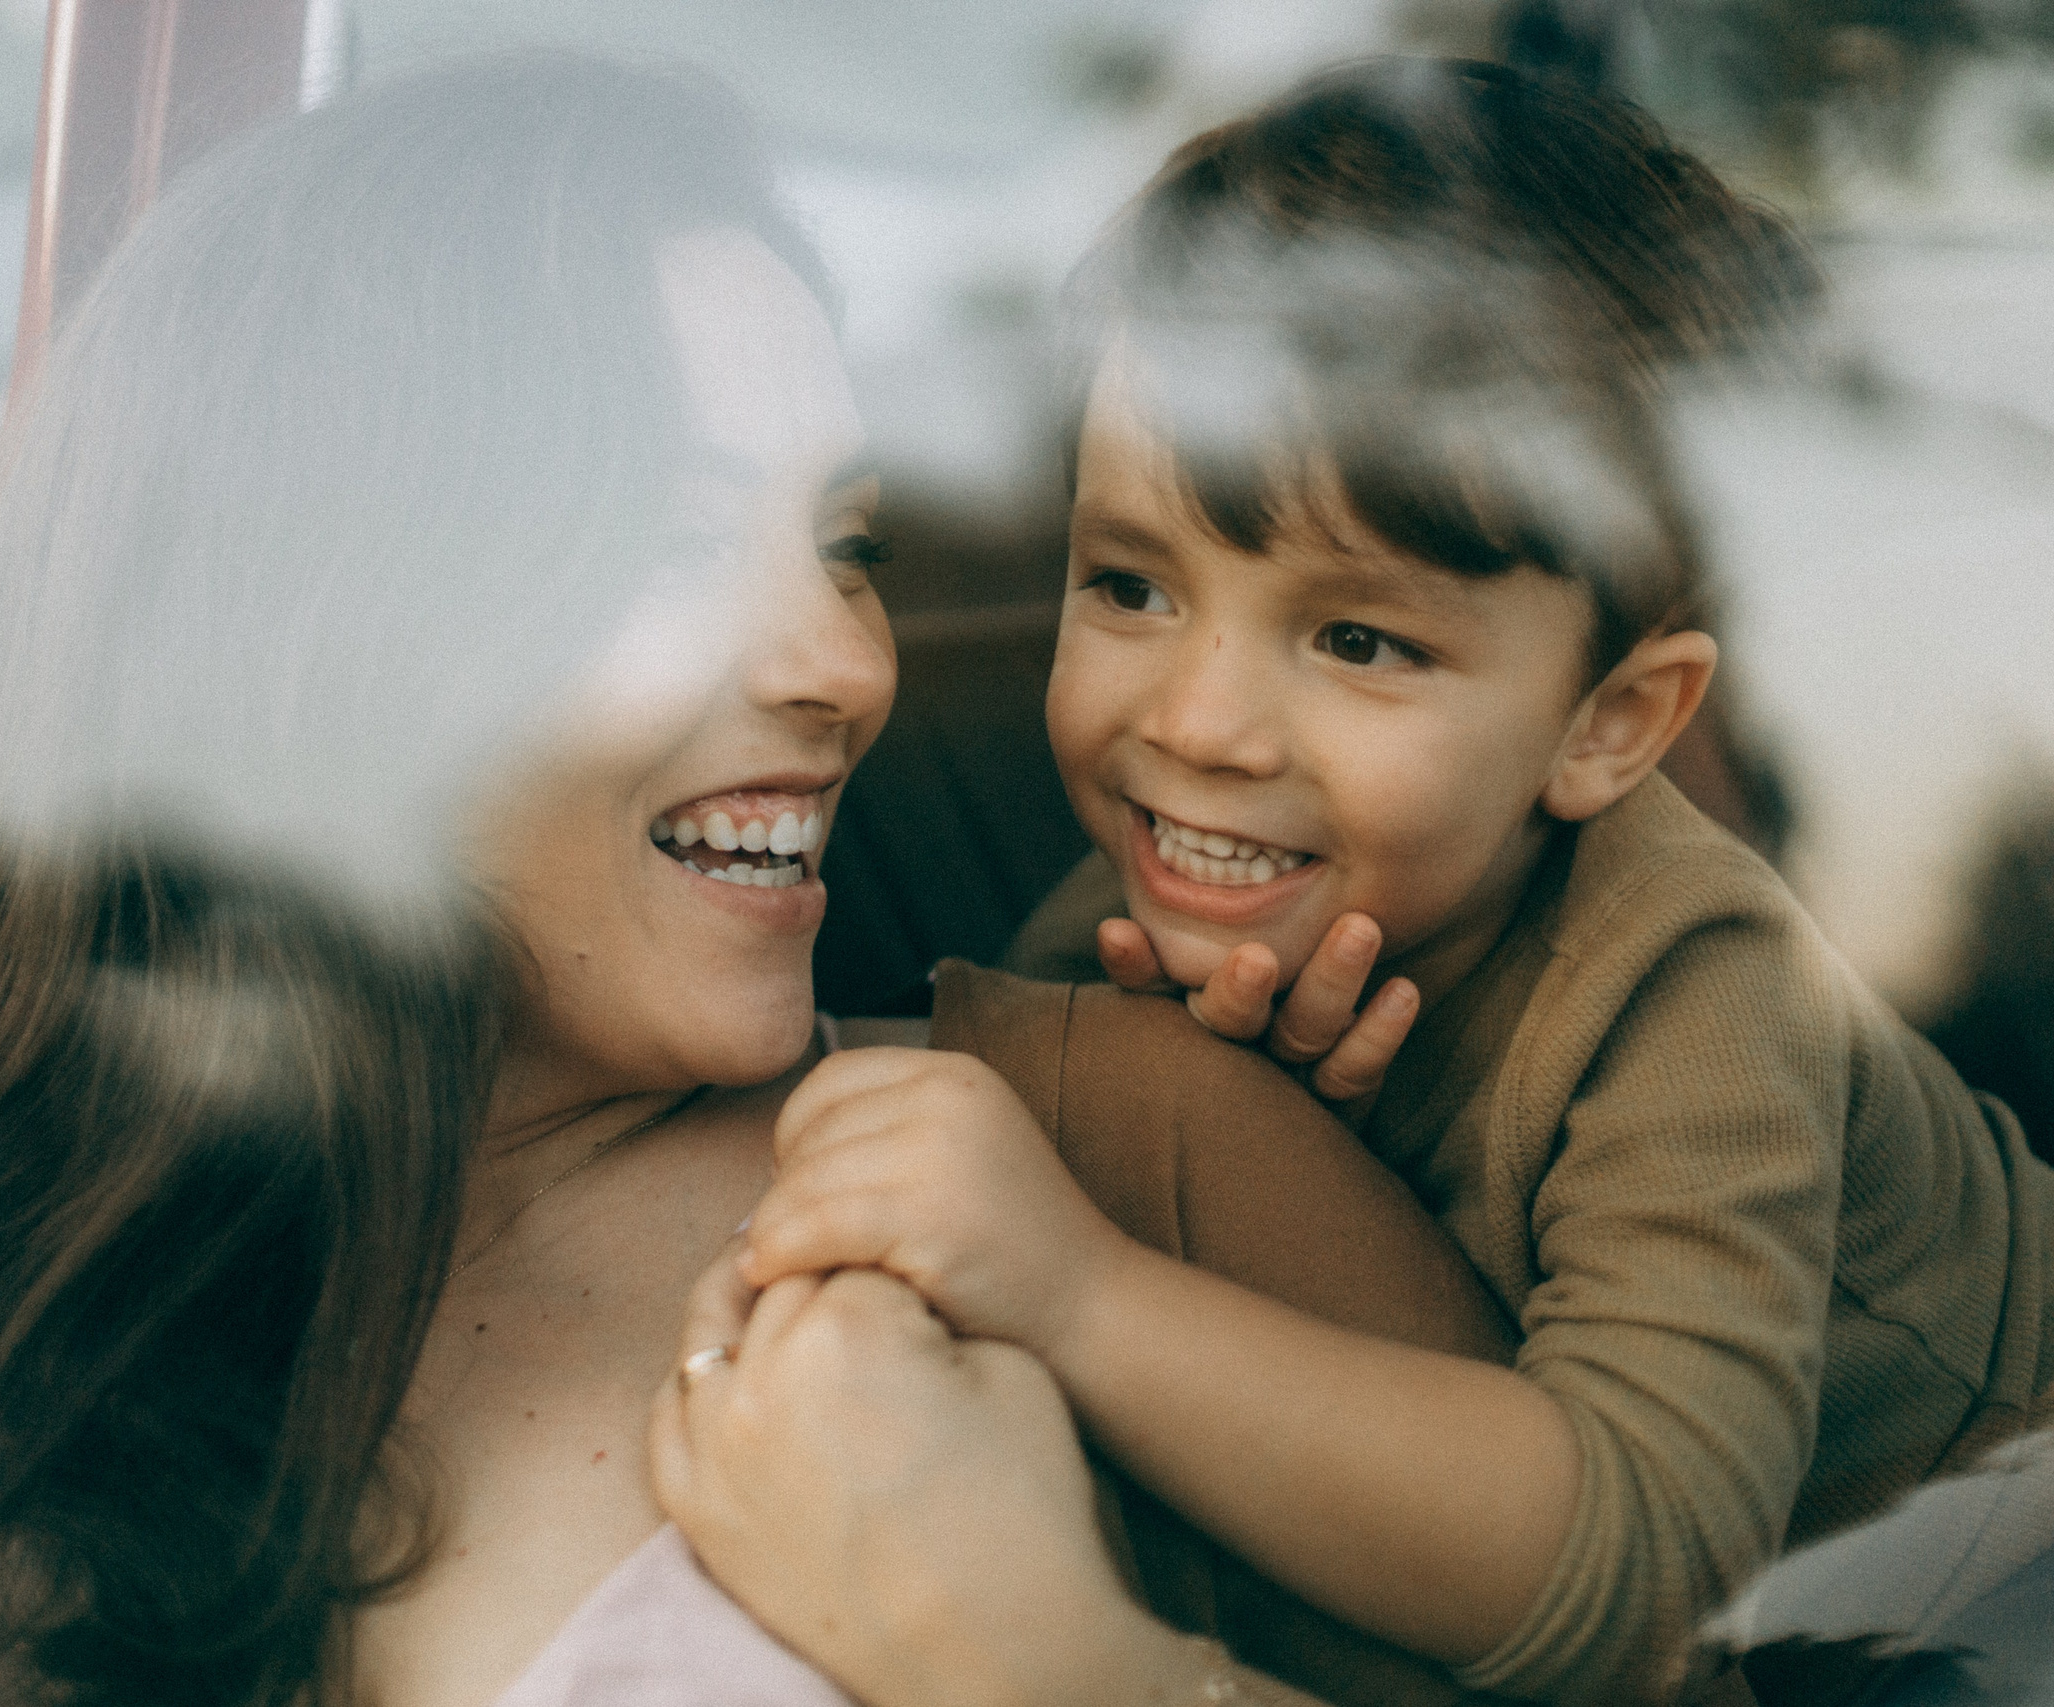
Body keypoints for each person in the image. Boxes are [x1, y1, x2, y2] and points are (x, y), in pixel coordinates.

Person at [0, 52, 1510, 1707]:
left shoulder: (1115, 1153)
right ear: (329, 636)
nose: (845, 667)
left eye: (842, 549)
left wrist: (1081, 1678)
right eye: (670, 541)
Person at [727, 58, 2054, 1707]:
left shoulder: (1700, 997)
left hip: (1978, 1539)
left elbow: (1637, 1566)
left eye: (1357, 638)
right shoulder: (1132, 915)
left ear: (1608, 724)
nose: (1197, 723)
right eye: (1131, 584)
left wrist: (1080, 1292)